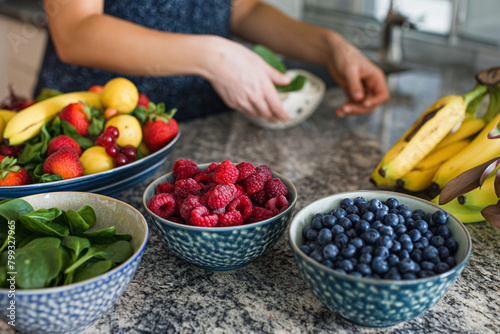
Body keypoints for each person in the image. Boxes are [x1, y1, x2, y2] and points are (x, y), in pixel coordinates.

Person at [37, 0, 390, 122]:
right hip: (97, 125)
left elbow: (242, 9)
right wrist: (212, 55)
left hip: (202, 121)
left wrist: (330, 46)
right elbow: (76, 31)